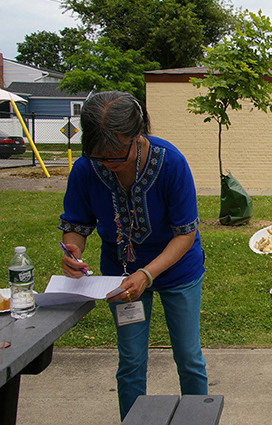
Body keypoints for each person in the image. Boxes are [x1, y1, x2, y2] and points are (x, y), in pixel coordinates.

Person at [58, 91, 207, 419]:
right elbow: (76, 226)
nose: (107, 163)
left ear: (138, 135)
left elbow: (185, 234)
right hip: (120, 274)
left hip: (177, 269)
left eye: (116, 154)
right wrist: (73, 250)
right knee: (131, 361)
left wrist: (147, 274)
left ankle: (198, 418)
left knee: (188, 356)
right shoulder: (86, 168)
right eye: (98, 155)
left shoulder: (171, 162)